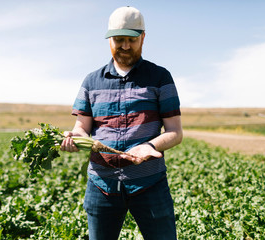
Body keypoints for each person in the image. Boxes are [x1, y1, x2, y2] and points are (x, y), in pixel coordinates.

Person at [61, 6, 183, 240]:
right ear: (109, 40)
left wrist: (150, 147)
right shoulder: (91, 81)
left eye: (131, 40)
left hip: (149, 183)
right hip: (101, 185)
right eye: (119, 40)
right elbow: (81, 127)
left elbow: (175, 132)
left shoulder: (160, 77)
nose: (125, 46)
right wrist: (76, 138)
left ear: (143, 38)